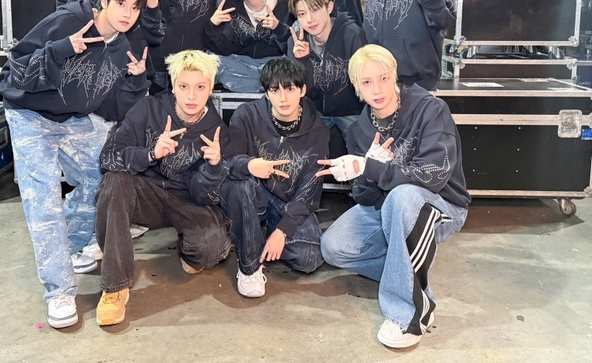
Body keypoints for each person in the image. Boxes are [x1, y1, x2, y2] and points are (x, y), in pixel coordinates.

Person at [0, 0, 152, 329]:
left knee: (104, 179)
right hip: (29, 115)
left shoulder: (124, 47)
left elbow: (113, 108)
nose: (127, 13)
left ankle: (68, 247)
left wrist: (136, 79)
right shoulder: (69, 20)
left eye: (134, 7)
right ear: (104, 1)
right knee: (44, 198)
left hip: (74, 119)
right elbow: (11, 72)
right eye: (120, 4)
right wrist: (61, 49)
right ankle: (59, 291)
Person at [318, 45, 470, 349]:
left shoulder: (430, 109)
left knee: (403, 196)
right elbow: (365, 198)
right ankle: (406, 272)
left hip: (443, 207)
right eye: (367, 82)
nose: (377, 90)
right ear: (357, 86)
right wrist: (365, 174)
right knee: (333, 248)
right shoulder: (360, 130)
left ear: (394, 75)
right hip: (389, 205)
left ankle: (408, 315)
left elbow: (434, 176)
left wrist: (372, 167)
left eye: (383, 78)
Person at [54, 0, 161, 259]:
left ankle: (119, 216)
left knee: (126, 146)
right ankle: (87, 233)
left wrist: (154, 8)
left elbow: (155, 34)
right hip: (94, 75)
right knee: (94, 159)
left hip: (131, 73)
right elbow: (64, 17)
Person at [94, 50, 231, 326]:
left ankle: (188, 247)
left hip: (186, 200)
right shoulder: (148, 108)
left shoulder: (217, 131)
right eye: (184, 86)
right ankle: (115, 286)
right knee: (115, 181)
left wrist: (215, 167)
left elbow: (204, 196)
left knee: (211, 249)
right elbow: (108, 157)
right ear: (173, 86)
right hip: (145, 192)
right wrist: (150, 154)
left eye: (200, 87)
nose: (191, 96)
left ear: (210, 89)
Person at [219, 57, 329, 298]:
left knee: (309, 257)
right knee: (240, 182)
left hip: (286, 202)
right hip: (253, 194)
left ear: (302, 90)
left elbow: (310, 188)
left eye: (290, 89)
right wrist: (250, 164)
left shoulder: (318, 130)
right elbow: (228, 160)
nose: (283, 98)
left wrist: (282, 231)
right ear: (266, 93)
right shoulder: (246, 115)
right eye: (275, 90)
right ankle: (249, 266)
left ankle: (257, 235)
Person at [286, 0, 367, 140]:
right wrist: (303, 61)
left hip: (351, 111)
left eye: (315, 10)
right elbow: (300, 92)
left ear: (329, 7)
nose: (309, 19)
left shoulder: (351, 35)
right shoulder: (296, 42)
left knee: (363, 145)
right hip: (315, 111)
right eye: (302, 14)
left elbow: (365, 81)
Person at [204, 0, 292, 92]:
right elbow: (225, 50)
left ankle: (263, 82)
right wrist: (213, 27)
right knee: (211, 60)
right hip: (242, 65)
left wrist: (278, 27)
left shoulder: (284, 3)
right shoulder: (231, 5)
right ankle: (265, 84)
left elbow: (291, 47)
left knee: (289, 67)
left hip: (275, 64)